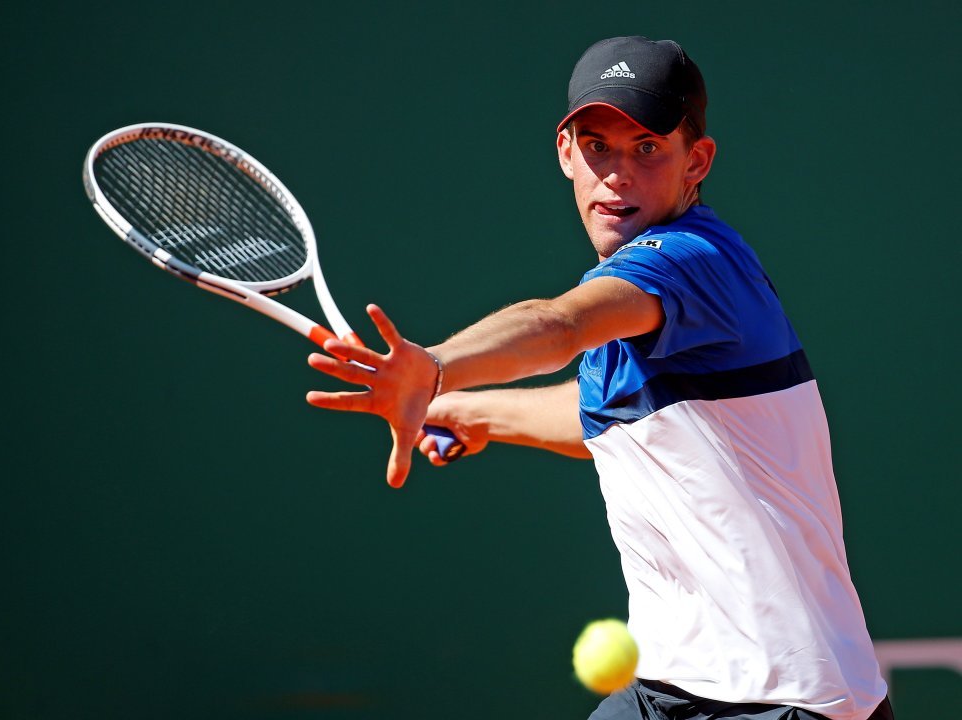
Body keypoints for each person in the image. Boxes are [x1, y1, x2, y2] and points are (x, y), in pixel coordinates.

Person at [306, 36, 893, 720]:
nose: (618, 174)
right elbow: (610, 416)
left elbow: (558, 326)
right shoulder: (646, 316)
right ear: (565, 153)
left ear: (696, 162)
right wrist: (468, 411)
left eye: (647, 148)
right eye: (597, 147)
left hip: (787, 701)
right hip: (671, 686)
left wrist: (437, 368)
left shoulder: (691, 261)